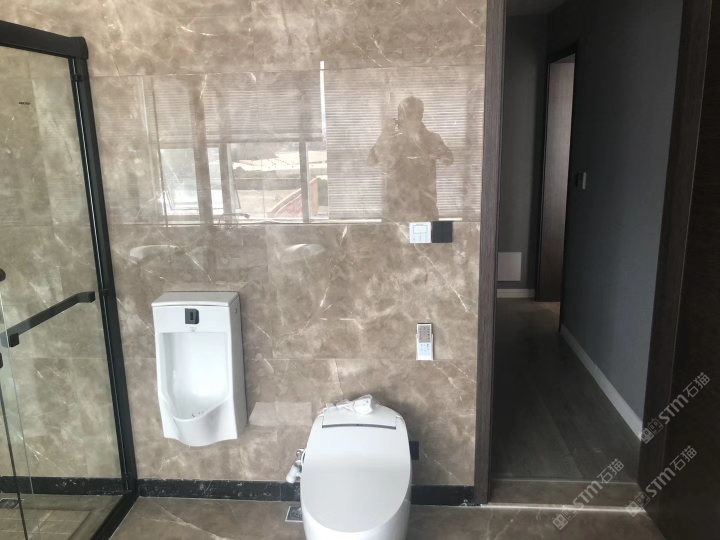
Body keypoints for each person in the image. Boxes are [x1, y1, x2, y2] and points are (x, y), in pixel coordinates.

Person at [368, 97, 454, 221]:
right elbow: (371, 161)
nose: (405, 119)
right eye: (402, 115)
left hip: (424, 212)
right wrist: (385, 135)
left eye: (410, 115)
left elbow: (449, 160)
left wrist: (430, 145)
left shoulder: (430, 139)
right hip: (396, 213)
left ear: (420, 116)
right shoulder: (391, 140)